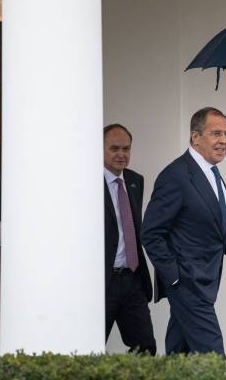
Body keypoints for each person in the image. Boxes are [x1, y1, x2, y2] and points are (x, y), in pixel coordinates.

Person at [141, 107, 226, 356]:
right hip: (188, 282)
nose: (224, 140)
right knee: (213, 357)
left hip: (204, 281)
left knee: (180, 357)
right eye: (216, 134)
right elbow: (151, 232)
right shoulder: (176, 176)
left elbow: (220, 231)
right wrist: (175, 277)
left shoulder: (211, 171)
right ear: (195, 137)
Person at [103, 124, 156, 355]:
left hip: (132, 279)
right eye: (114, 148)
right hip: (102, 282)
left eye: (126, 148)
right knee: (88, 349)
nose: (121, 154)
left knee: (145, 348)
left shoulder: (135, 180)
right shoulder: (83, 182)